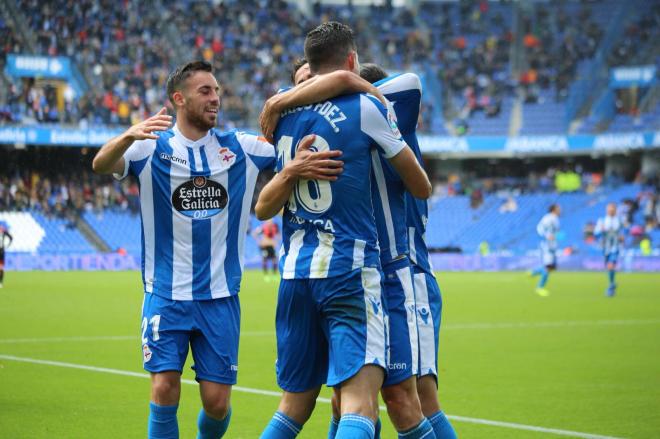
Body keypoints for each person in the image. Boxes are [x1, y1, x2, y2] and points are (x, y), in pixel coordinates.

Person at [92, 60, 339, 439]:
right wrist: (128, 136)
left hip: (220, 297)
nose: (215, 99)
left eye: (217, 91)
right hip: (165, 294)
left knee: (217, 403)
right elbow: (101, 163)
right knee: (163, 387)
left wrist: (301, 148)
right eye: (205, 91)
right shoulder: (149, 148)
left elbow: (289, 149)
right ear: (179, 98)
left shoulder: (239, 147)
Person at [255, 22, 432, 439]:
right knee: (360, 403)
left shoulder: (281, 121)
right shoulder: (366, 107)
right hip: (351, 270)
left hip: (296, 275)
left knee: (294, 407)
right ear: (352, 60)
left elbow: (263, 206)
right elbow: (421, 186)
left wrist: (278, 99)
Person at [530, 204, 561, 297]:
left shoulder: (556, 218)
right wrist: (547, 235)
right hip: (547, 246)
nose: (560, 210)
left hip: (553, 245)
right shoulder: (549, 218)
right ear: (554, 209)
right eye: (558, 208)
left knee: (553, 267)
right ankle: (539, 288)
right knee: (548, 267)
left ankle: (533, 272)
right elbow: (540, 228)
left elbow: (555, 232)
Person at [594, 203, 624, 297]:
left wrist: (622, 237)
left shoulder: (619, 220)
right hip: (605, 247)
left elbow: (624, 232)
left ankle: (611, 286)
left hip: (615, 247)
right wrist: (601, 232)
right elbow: (596, 234)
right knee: (609, 266)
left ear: (615, 210)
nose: (611, 211)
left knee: (611, 265)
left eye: (612, 209)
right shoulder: (602, 221)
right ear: (606, 210)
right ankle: (612, 282)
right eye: (609, 209)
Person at [0, 222, 13, 288]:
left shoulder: (3, 230)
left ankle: (1, 283)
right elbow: (11, 238)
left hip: (1, 251)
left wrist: (7, 245)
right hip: (2, 250)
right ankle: (1, 283)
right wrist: (7, 245)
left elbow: (11, 238)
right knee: (1, 267)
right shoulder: (3, 230)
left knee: (1, 267)